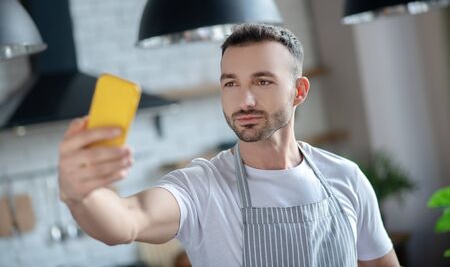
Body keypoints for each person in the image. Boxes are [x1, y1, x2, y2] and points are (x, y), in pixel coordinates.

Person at [58, 24, 400, 267]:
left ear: (299, 91)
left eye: (262, 81)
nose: (244, 100)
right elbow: (129, 221)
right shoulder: (202, 187)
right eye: (231, 83)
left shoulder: (345, 178)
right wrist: (79, 194)